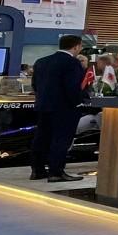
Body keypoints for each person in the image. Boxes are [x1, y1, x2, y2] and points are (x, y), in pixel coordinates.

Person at [30, 35, 86, 182]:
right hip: (64, 107)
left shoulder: (41, 62)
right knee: (61, 139)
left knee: (42, 138)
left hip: (43, 105)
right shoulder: (72, 63)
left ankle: (37, 170)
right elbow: (73, 87)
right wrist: (78, 102)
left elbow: (35, 85)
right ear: (76, 46)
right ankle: (56, 172)